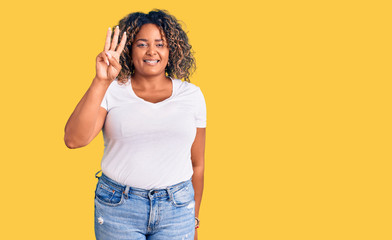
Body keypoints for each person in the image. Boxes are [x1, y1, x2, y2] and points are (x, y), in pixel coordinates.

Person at [64, 9, 206, 240]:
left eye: (160, 44)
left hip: (177, 209)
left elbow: (197, 164)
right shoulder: (111, 90)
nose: (152, 51)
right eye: (142, 44)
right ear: (129, 50)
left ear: (172, 50)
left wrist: (194, 219)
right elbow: (74, 140)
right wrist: (101, 81)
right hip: (118, 208)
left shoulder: (192, 95)